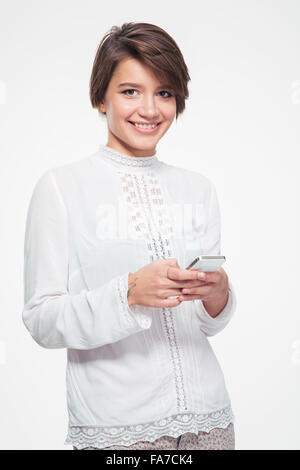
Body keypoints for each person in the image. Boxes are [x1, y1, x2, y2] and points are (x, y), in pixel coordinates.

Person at [22, 22, 237, 450]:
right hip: (119, 434)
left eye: (164, 93)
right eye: (130, 91)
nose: (150, 109)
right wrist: (129, 292)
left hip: (210, 426)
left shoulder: (199, 189)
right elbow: (41, 319)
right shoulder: (62, 187)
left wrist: (219, 294)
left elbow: (202, 324)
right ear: (101, 96)